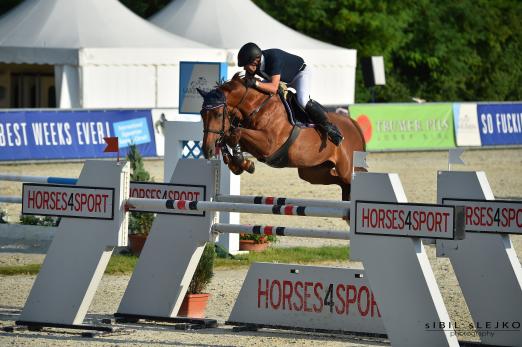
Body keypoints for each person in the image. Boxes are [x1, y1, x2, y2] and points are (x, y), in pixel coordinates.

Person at [237, 42, 343, 145]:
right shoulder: (254, 65)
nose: (244, 68)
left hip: (300, 74)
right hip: (282, 80)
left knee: (303, 100)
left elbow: (273, 87)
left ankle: (330, 128)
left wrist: (255, 83)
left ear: (255, 61)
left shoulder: (273, 58)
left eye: (245, 65)